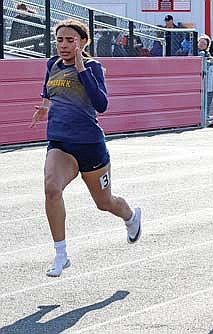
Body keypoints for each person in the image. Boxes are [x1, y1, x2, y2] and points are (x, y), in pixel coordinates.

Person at [30, 19, 142, 277]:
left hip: (90, 145)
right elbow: (49, 95)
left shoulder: (92, 67)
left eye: (70, 40)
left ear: (82, 42)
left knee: (104, 203)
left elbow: (101, 104)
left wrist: (81, 68)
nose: (64, 45)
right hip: (60, 142)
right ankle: (61, 254)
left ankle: (130, 216)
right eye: (60, 40)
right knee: (51, 189)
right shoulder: (52, 65)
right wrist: (45, 108)